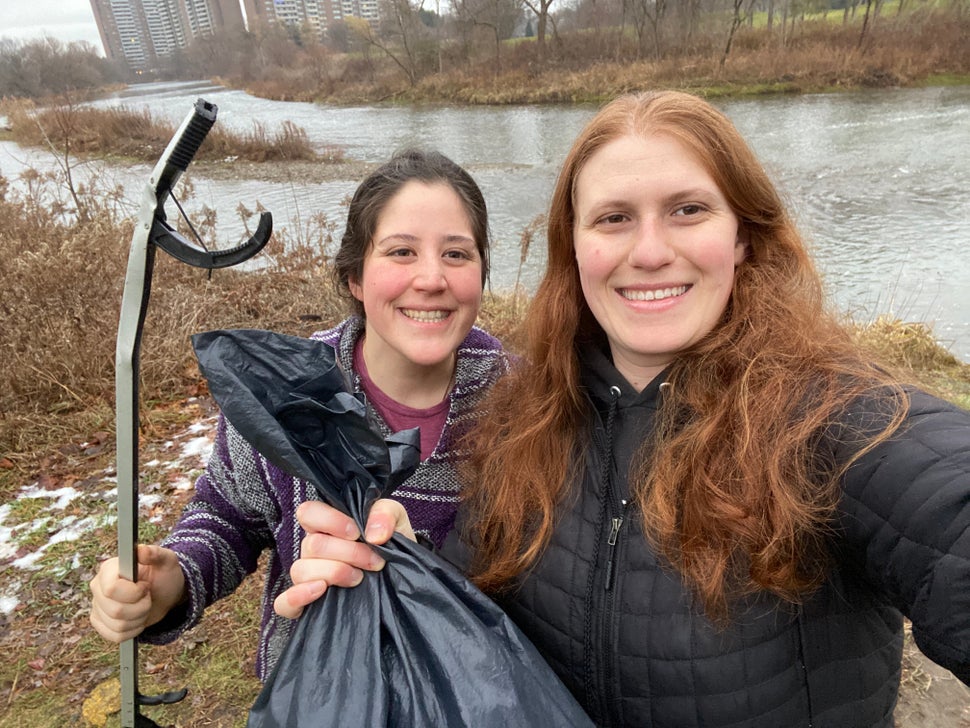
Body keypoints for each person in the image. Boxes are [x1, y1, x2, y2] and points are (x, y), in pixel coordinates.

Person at [282, 91, 970, 727]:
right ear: (574, 249)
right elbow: (483, 622)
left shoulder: (828, 420)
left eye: (688, 210)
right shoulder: (526, 421)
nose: (648, 252)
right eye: (613, 219)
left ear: (742, 237)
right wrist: (401, 565)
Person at [88, 148, 512, 681]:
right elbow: (230, 516)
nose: (431, 278)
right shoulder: (286, 392)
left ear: (480, 273)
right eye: (401, 252)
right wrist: (173, 579)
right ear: (355, 277)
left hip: (471, 692)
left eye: (457, 254)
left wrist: (418, 563)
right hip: (314, 691)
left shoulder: (525, 401)